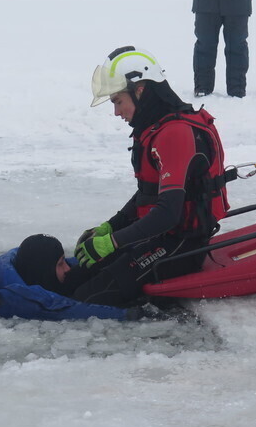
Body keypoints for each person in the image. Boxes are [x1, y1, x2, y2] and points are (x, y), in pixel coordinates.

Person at [71, 46, 230, 307]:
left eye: (118, 101)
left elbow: (169, 213)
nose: (116, 112)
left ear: (141, 90)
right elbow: (150, 191)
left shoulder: (174, 133)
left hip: (181, 244)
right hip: (159, 235)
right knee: (79, 276)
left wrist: (113, 242)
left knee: (88, 299)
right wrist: (113, 225)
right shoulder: (157, 126)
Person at [0, 234, 130, 321]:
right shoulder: (19, 296)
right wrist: (132, 314)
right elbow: (67, 309)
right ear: (44, 270)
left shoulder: (18, 261)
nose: (67, 269)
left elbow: (66, 264)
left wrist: (100, 260)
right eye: (60, 264)